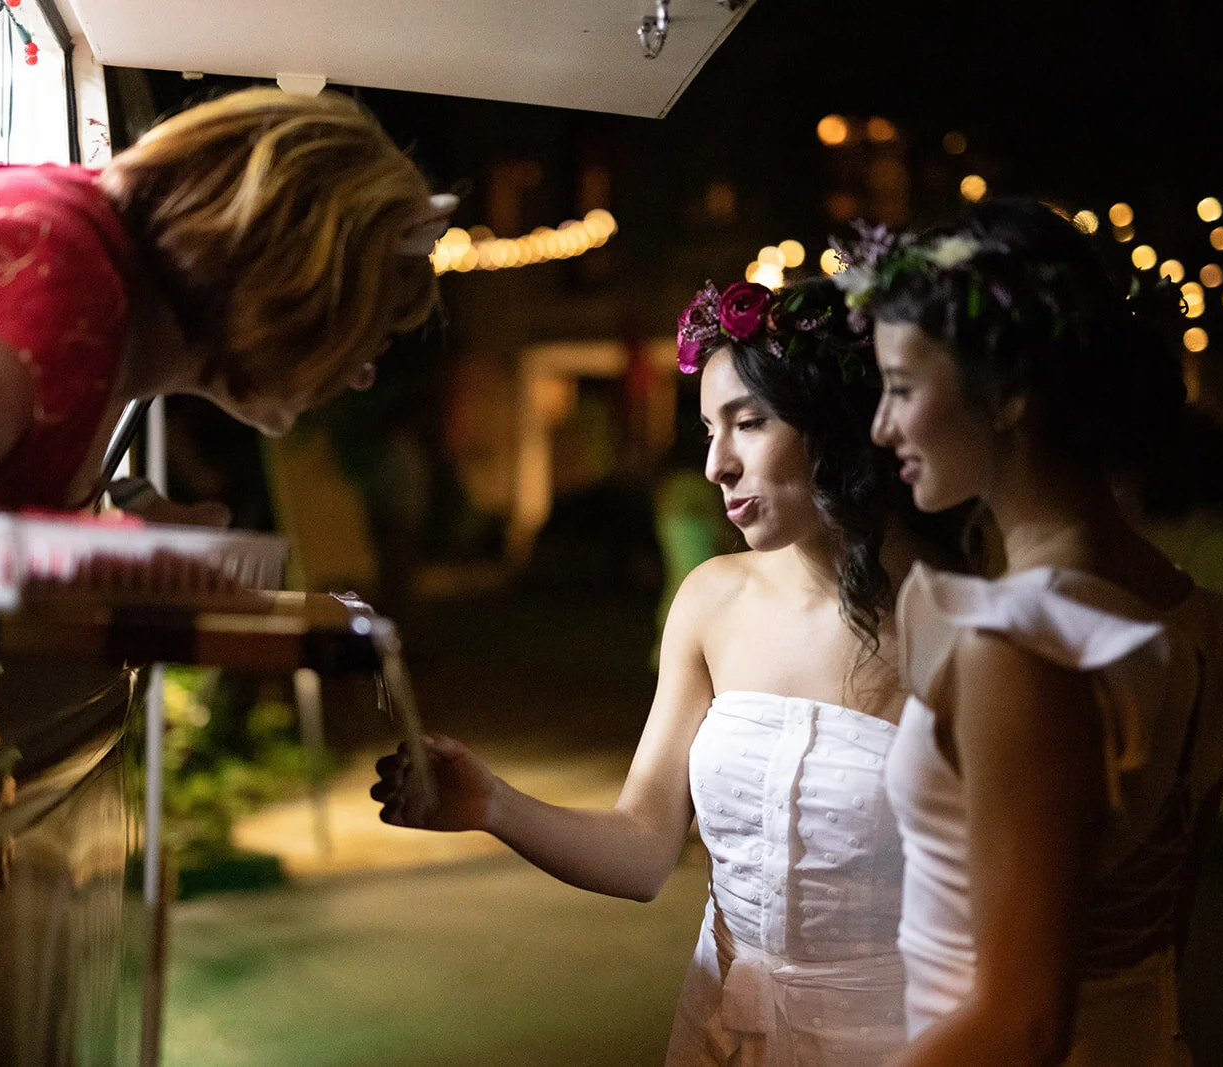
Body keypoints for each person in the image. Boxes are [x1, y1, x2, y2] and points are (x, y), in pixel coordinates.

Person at [373, 277, 954, 1065]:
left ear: (841, 425)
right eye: (709, 428)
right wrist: (493, 803)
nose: (717, 463)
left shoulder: (965, 626)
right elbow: (645, 846)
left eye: (749, 423)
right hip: (719, 1035)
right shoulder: (711, 601)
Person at [846, 198, 1223, 1065]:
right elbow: (1157, 944)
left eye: (900, 388)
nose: (880, 425)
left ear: (1007, 393)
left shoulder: (1029, 644)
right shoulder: (1179, 608)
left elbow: (1021, 1022)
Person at [0, 87, 453, 513]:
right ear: (296, 288)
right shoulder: (58, 288)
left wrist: (126, 546)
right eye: (369, 332)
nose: (362, 374)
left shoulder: (94, 274)